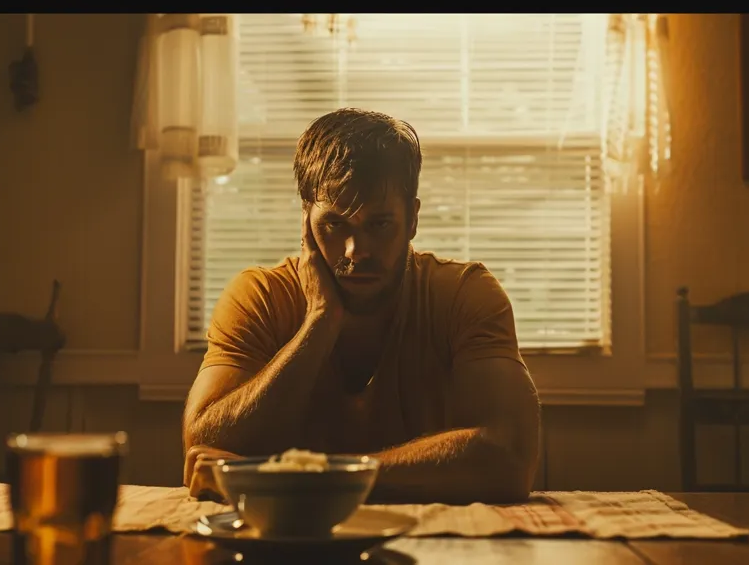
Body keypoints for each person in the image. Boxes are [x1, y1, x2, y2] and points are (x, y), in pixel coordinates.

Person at [182, 108, 542, 505]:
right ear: (306, 220)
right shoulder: (260, 297)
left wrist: (316, 477)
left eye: (380, 224)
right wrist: (320, 321)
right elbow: (203, 449)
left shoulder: (465, 294)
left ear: (413, 219)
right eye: (335, 225)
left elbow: (510, 458)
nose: (356, 251)